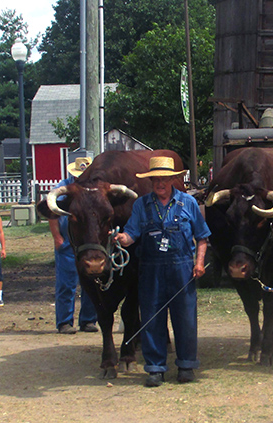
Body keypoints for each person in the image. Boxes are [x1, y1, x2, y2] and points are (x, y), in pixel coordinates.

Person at [114, 155, 210, 387]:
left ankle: (186, 366)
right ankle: (155, 369)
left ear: (173, 180)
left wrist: (199, 263)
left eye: (165, 179)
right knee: (151, 319)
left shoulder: (188, 203)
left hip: (183, 270)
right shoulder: (141, 205)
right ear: (151, 181)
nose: (160, 184)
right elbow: (131, 235)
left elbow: (203, 237)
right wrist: (120, 238)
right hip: (150, 271)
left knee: (185, 320)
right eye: (156, 179)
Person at [50, 157, 98, 334]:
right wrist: (57, 237)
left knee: (91, 281)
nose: (80, 178)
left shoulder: (94, 188)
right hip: (68, 242)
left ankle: (88, 320)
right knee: (66, 283)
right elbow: (52, 212)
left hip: (87, 242)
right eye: (78, 175)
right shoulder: (63, 188)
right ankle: (64, 322)